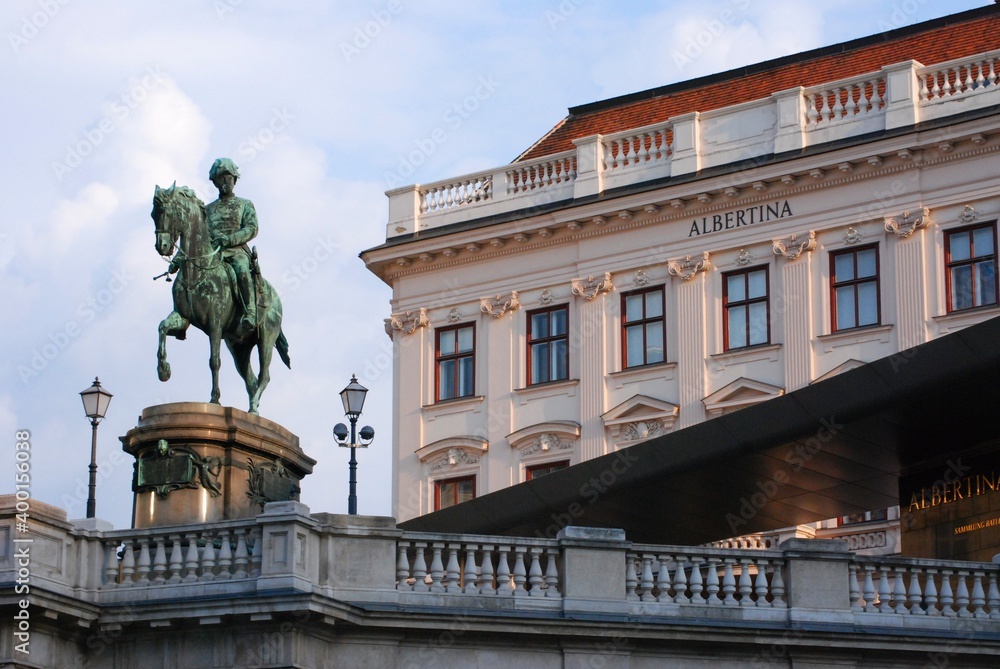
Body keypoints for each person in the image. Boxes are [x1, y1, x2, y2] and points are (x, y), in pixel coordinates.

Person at [206, 158, 259, 336]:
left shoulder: (244, 204)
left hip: (236, 251)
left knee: (242, 269)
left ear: (234, 179)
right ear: (215, 181)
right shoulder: (207, 209)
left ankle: (250, 312)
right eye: (220, 178)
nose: (225, 181)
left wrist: (229, 239)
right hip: (213, 253)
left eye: (228, 177)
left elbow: (252, 228)